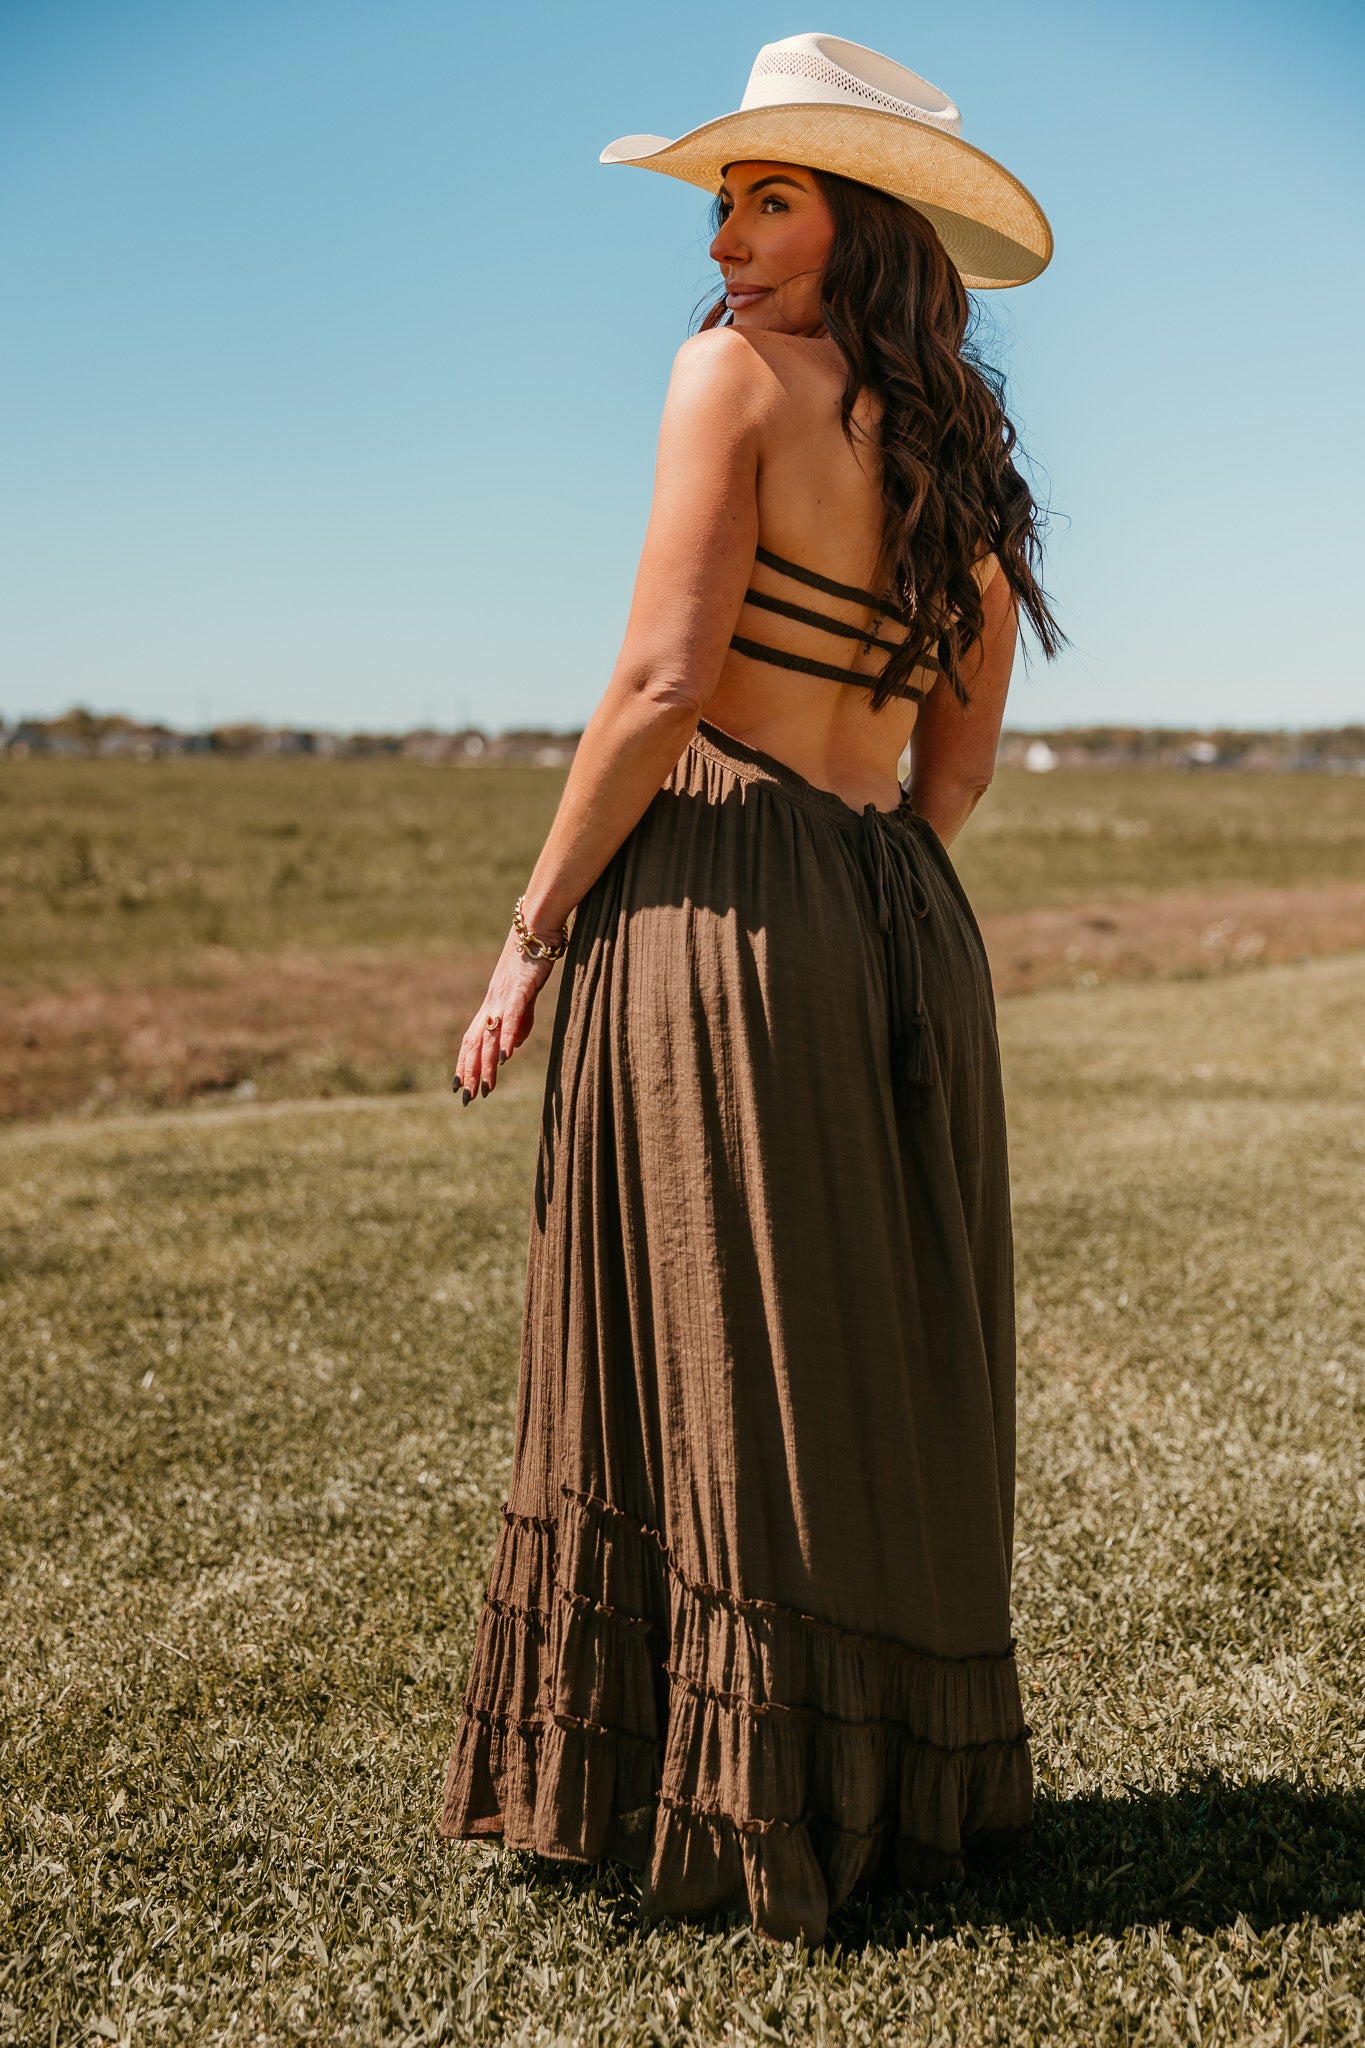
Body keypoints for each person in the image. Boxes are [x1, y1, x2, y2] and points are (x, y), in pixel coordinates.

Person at [438, 32, 1064, 1947]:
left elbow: (657, 687)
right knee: (873, 1350)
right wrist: (867, 888)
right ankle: (895, 1787)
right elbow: (954, 771)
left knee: (718, 1340)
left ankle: (719, 1789)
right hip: (895, 905)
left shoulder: (725, 378)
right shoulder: (967, 456)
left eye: (766, 197)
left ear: (859, 220)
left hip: (725, 887)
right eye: (722, 199)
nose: (722, 237)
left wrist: (533, 929)